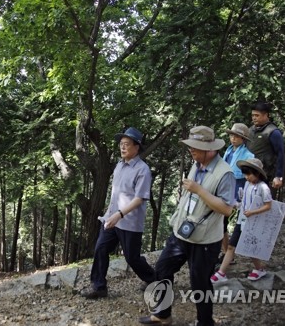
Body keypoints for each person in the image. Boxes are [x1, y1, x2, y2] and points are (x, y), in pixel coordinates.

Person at [139, 126, 235, 326]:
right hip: (182, 232)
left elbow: (226, 209)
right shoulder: (197, 164)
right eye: (191, 146)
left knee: (199, 282)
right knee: (163, 268)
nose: (192, 150)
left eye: (196, 147)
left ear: (210, 149)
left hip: (206, 239)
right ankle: (163, 314)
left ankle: (205, 321)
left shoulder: (225, 173)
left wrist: (199, 190)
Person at [80, 127, 155, 299]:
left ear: (137, 147)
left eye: (127, 144)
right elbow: (116, 194)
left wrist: (119, 214)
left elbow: (139, 199)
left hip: (129, 222)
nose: (122, 147)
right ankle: (99, 286)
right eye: (121, 144)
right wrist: (110, 213)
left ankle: (154, 279)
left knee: (132, 258)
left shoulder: (142, 170)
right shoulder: (119, 166)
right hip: (111, 218)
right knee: (100, 248)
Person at [210, 158, 272, 283]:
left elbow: (268, 205)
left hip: (253, 222)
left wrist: (252, 212)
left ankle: (259, 269)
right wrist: (237, 204)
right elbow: (244, 200)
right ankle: (222, 273)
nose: (247, 177)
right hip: (241, 220)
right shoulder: (247, 184)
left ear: (258, 173)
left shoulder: (263, 188)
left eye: (249, 174)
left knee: (249, 247)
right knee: (232, 246)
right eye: (245, 174)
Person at [219, 123, 254, 262]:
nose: (233, 138)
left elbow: (248, 177)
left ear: (243, 138)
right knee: (222, 223)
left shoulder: (248, 155)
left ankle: (229, 254)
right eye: (232, 135)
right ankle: (226, 252)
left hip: (237, 194)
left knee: (225, 222)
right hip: (225, 190)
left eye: (237, 136)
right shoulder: (228, 151)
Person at [247, 101, 285, 190]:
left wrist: (279, 176)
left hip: (264, 175)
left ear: (266, 115)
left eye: (257, 115)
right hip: (248, 173)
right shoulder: (250, 130)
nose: (254, 118)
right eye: (253, 115)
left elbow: (281, 154)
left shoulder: (273, 132)